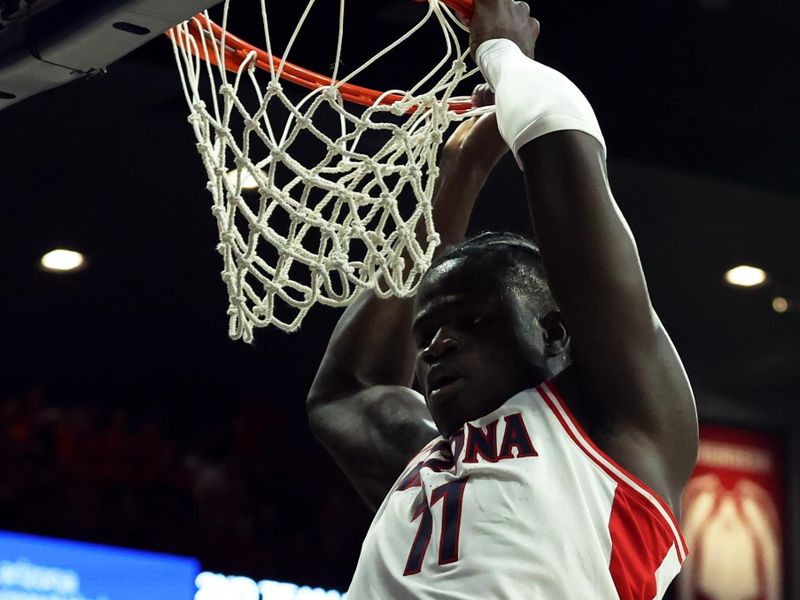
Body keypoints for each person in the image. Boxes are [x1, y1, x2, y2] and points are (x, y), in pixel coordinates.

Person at [307, 0, 698, 597]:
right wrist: (458, 173)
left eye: (472, 320)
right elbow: (348, 392)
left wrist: (501, 53)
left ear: (555, 331)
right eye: (427, 332)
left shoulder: (625, 425)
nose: (436, 345)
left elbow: (562, 147)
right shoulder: (430, 460)